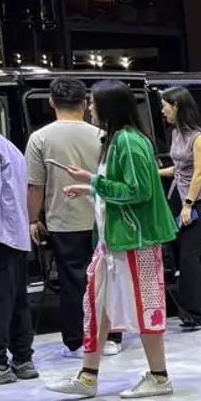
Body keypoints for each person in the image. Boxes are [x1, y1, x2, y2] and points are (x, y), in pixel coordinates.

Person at [47, 80, 179, 400]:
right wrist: (91, 185)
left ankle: (159, 377)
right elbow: (123, 187)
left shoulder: (128, 142)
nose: (90, 108)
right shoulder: (118, 140)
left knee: (146, 308)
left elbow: (139, 191)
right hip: (114, 240)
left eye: (94, 102)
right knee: (97, 305)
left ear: (108, 106)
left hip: (136, 241)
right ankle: (88, 376)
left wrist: (94, 182)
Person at [24, 78, 123, 358]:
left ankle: (78, 341)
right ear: (84, 103)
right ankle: (111, 338)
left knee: (72, 282)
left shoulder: (40, 138)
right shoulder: (103, 135)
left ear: (51, 102)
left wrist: (32, 220)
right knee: (107, 278)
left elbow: (35, 186)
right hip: (104, 218)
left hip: (63, 220)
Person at [156, 86, 201, 329]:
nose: (162, 111)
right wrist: (156, 173)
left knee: (188, 256)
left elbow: (199, 173)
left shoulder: (200, 138)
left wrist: (188, 204)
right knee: (189, 256)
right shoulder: (176, 134)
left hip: (197, 202)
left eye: (165, 106)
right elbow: (180, 169)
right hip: (179, 199)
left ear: (177, 106)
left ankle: (192, 313)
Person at [0, 128, 36, 385]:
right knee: (17, 301)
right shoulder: (8, 146)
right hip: (15, 236)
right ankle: (22, 359)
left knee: (1, 301)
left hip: (1, 236)